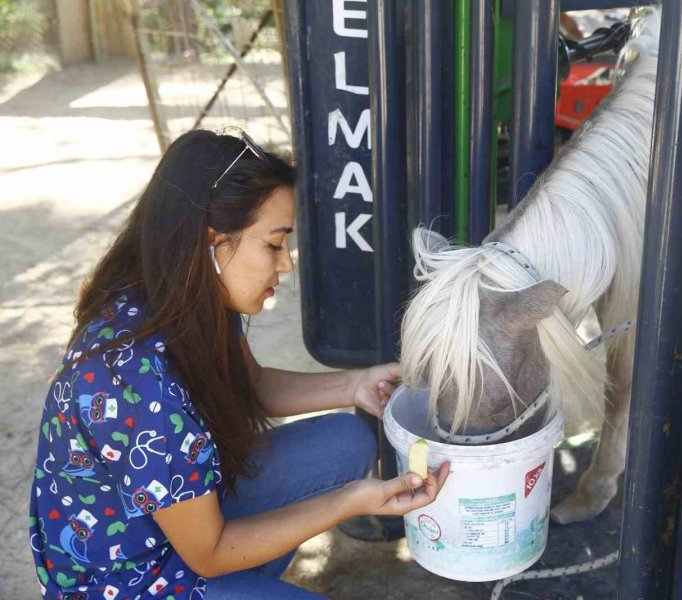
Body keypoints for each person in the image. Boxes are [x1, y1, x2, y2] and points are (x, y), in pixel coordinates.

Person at [28, 128, 451, 600]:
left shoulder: (186, 298)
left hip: (170, 529)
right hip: (129, 582)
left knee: (345, 440)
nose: (286, 265)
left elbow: (251, 384)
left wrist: (355, 385)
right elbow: (208, 553)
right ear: (212, 244)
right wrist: (349, 501)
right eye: (273, 245)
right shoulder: (139, 382)